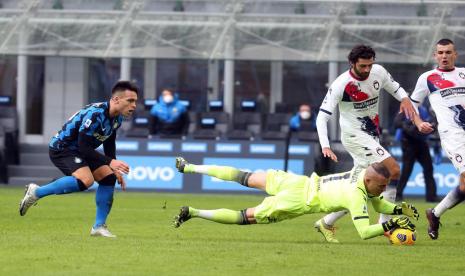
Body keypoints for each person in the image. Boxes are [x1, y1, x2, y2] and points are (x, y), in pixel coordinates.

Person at [172, 157, 419, 242]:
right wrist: (391, 224)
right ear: (369, 182)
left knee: (242, 175)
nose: (384, 189)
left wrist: (399, 209)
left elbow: (378, 203)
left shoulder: (361, 176)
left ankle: (189, 166)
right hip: (297, 202)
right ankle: (194, 212)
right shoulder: (356, 197)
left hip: (298, 182)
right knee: (243, 217)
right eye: (382, 186)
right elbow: (364, 232)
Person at [315, 44, 417, 242]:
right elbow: (321, 117)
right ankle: (383, 225)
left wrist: (404, 98)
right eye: (363, 66)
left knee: (360, 188)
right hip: (354, 136)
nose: (367, 70)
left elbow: (395, 87)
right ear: (352, 63)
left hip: (371, 136)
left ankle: (326, 222)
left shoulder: (378, 72)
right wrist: (325, 145)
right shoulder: (341, 84)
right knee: (393, 170)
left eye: (370, 65)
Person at [19, 80, 139, 238]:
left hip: (81, 150)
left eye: (135, 101)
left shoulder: (117, 118)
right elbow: (83, 147)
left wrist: (114, 167)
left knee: (108, 178)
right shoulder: (96, 114)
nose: (134, 105)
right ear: (116, 99)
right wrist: (110, 162)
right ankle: (36, 192)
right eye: (130, 100)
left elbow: (109, 141)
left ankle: (98, 227)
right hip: (62, 148)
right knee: (86, 181)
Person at [410, 38, 465, 240]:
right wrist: (418, 122)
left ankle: (434, 213)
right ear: (435, 55)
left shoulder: (463, 74)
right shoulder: (428, 78)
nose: (444, 56)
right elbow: (411, 104)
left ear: (455, 54)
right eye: (440, 52)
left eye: (448, 52)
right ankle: (435, 214)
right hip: (453, 135)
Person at [394, 105, 437, 202]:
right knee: (406, 170)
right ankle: (397, 195)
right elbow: (396, 123)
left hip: (422, 142)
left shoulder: (424, 109)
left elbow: (432, 123)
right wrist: (408, 125)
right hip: (409, 143)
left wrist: (430, 126)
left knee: (428, 169)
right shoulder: (406, 109)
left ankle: (431, 197)